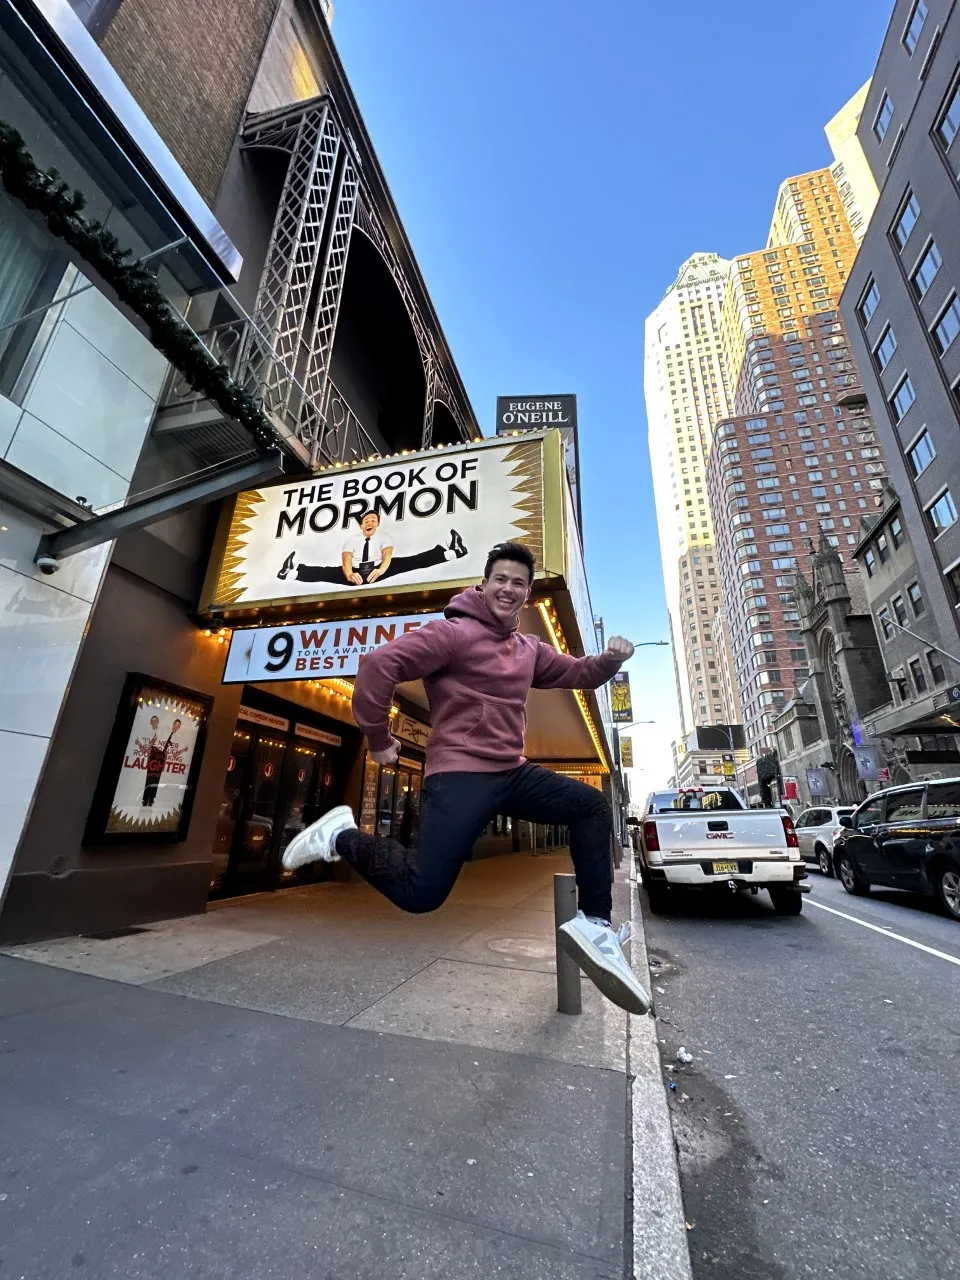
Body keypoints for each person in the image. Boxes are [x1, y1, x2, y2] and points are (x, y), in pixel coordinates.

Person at [283, 540, 651, 1016]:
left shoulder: (528, 649)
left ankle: (596, 925)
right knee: (422, 894)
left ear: (526, 595)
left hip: (511, 771)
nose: (508, 588)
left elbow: (576, 673)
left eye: (518, 583)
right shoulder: (452, 633)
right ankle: (342, 835)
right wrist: (377, 738)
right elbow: (379, 665)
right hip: (459, 773)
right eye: (500, 579)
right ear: (484, 583)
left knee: (591, 805)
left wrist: (610, 660)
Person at [277, 509, 467, 586]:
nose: (369, 523)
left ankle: (451, 552)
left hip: (379, 568)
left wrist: (381, 570)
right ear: (361, 525)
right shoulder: (352, 540)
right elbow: (347, 558)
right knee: (327, 573)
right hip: (357, 572)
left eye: (373, 520)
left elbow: (387, 555)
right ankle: (291, 573)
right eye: (366, 520)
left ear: (377, 524)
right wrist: (349, 573)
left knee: (410, 562)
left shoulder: (384, 537)